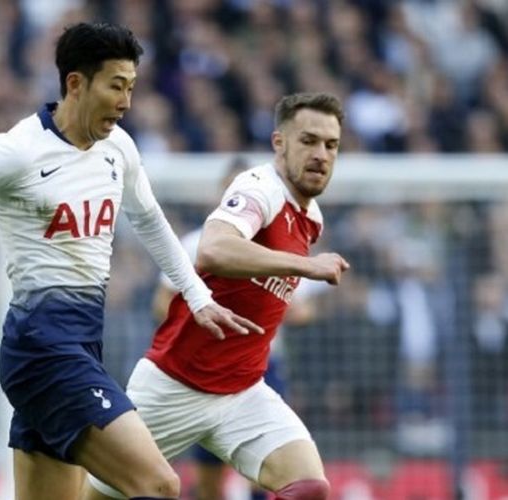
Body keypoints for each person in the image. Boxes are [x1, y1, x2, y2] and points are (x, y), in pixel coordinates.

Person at [0, 22, 260, 500]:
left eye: (131, 87)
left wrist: (198, 296)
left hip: (80, 344)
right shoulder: (19, 151)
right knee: (160, 485)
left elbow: (149, 220)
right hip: (42, 349)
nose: (125, 101)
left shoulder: (119, 148)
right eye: (115, 86)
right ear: (76, 83)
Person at [87, 92, 350, 500]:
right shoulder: (259, 187)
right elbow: (215, 249)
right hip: (174, 386)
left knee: (309, 488)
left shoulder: (311, 217)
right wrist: (304, 265)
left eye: (330, 145)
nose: (321, 154)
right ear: (279, 142)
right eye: (308, 141)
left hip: (243, 391)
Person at [150, 156, 277, 500]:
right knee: (208, 476)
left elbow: (304, 305)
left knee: (266, 468)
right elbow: (161, 302)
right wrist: (202, 320)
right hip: (204, 366)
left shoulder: (274, 247)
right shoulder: (195, 243)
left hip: (260, 365)